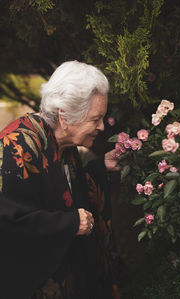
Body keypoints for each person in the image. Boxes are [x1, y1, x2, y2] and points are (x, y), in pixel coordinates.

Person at [0, 61, 120, 299]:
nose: (101, 126)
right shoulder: (16, 148)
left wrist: (99, 168)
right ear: (65, 116)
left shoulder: (62, 141)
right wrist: (69, 224)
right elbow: (7, 223)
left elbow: (61, 190)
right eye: (96, 118)